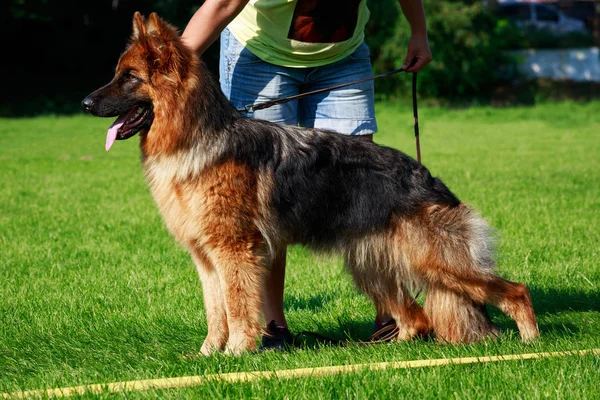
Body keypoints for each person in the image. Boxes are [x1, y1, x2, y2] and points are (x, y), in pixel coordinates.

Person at [181, 0, 432, 351]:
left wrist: (418, 32)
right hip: (260, 54)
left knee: (364, 189)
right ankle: (273, 327)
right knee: (266, 198)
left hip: (342, 56)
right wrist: (168, 67)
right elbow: (220, 5)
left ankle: (394, 313)